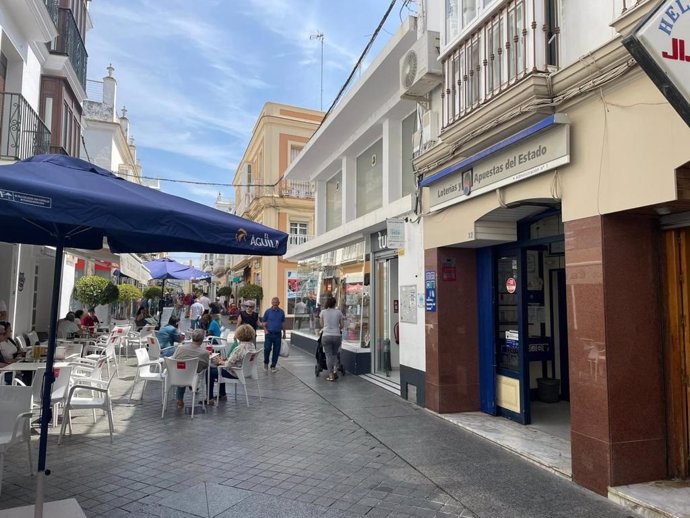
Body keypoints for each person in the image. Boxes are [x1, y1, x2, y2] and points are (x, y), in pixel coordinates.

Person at [209, 324, 257, 400]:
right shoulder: (251, 345)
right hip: (245, 371)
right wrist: (224, 360)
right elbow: (235, 359)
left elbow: (228, 364)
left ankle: (210, 398)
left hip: (235, 372)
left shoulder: (240, 348)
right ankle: (222, 394)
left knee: (210, 372)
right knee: (218, 370)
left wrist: (220, 361)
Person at [171, 329, 210, 408]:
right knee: (194, 371)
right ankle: (194, 387)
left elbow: (173, 359)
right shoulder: (204, 353)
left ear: (192, 337)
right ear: (202, 340)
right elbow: (205, 366)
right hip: (193, 377)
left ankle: (179, 399)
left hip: (177, 376)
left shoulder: (180, 348)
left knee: (182, 371)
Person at [320, 297, 344, 382]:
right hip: (336, 335)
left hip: (326, 336)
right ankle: (335, 371)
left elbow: (322, 325)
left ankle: (330, 375)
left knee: (328, 356)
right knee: (334, 354)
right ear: (335, 303)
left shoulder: (323, 312)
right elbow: (341, 326)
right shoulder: (339, 312)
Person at [262, 297, 285, 372]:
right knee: (267, 349)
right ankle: (266, 363)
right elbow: (263, 322)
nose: (275, 304)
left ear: (279, 303)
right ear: (271, 303)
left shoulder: (281, 312)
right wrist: (265, 330)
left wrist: (284, 333)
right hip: (269, 334)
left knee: (276, 351)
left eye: (276, 302)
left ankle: (273, 366)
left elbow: (283, 323)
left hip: (278, 334)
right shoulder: (268, 312)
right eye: (273, 302)